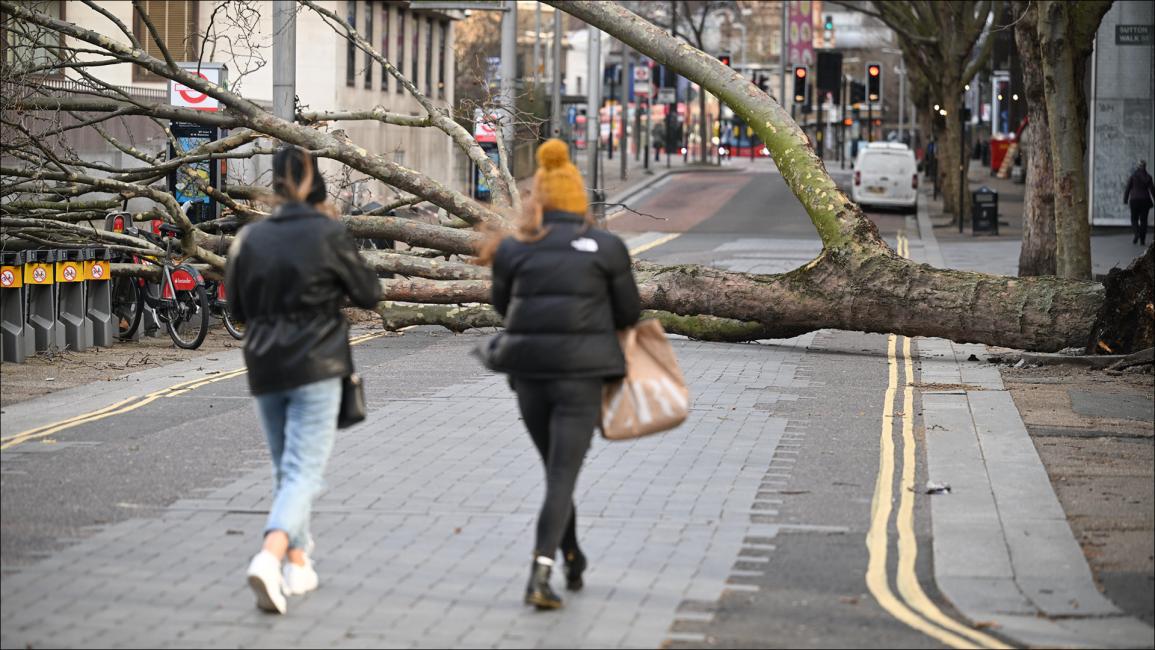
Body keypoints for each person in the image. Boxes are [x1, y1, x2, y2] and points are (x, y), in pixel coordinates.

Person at [478, 139, 641, 610]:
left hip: (529, 375)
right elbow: (629, 312)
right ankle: (539, 574)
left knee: (555, 471)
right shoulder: (607, 247)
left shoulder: (514, 247)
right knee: (562, 474)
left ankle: (570, 553)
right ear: (577, 200)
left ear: (540, 199)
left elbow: (503, 308)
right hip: (583, 375)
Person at [225, 146, 381, 614]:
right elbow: (369, 292)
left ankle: (298, 564)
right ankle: (270, 557)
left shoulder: (250, 238)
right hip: (317, 365)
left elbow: (234, 309)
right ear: (318, 186)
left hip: (264, 366)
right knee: (303, 472)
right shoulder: (328, 234)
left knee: (285, 470)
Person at [1124, 160, 1154, 246]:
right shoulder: (1148, 177)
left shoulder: (1133, 176)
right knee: (1144, 220)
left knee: (1134, 219)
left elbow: (1128, 189)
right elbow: (1152, 190)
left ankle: (1136, 234)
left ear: (1137, 166)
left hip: (1134, 201)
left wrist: (1125, 199)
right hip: (1145, 201)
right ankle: (1142, 240)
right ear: (1145, 166)